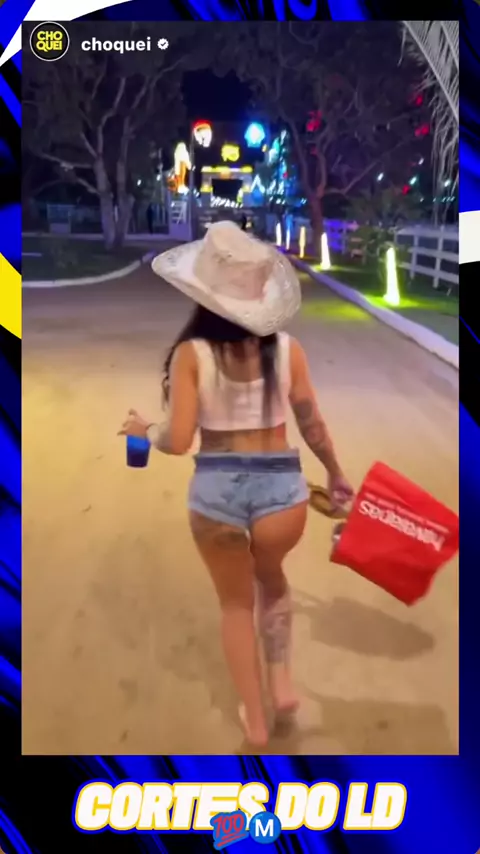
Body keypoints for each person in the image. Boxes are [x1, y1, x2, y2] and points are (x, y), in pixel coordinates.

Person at [119, 221, 353, 747]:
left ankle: (255, 717)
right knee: (272, 580)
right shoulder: (288, 351)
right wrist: (336, 472)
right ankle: (282, 684)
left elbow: (179, 440)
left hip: (216, 496)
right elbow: (312, 424)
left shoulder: (191, 355)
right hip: (282, 495)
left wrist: (143, 430)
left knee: (234, 605)